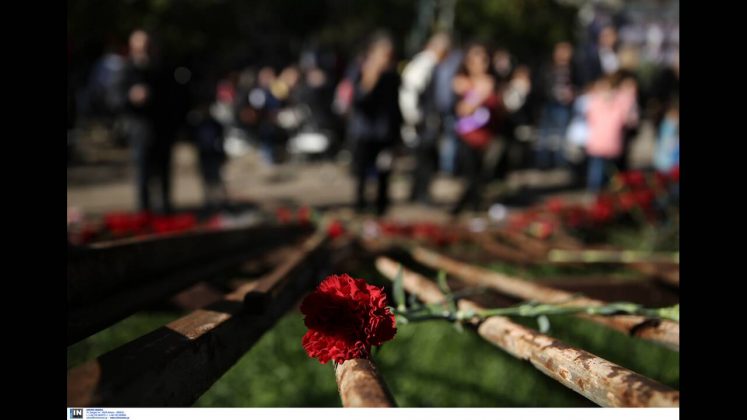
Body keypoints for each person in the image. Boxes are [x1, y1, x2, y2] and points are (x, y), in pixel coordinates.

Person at [349, 32, 402, 216]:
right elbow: (358, 101)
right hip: (364, 132)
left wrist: (397, 132)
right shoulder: (360, 71)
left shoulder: (392, 76)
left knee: (384, 170)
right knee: (362, 172)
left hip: (385, 132)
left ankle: (381, 207)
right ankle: (360, 205)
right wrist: (370, 79)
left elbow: (395, 106)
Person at [122, 29, 175, 214]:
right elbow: (114, 98)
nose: (144, 52)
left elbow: (173, 97)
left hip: (162, 127)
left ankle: (165, 210)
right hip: (139, 129)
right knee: (143, 173)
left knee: (164, 172)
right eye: (140, 48)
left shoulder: (162, 68)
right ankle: (144, 212)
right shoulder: (127, 69)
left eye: (147, 48)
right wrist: (131, 97)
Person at [399, 32, 451, 204]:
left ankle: (418, 192)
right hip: (423, 121)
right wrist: (414, 117)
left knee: (425, 159)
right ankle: (421, 194)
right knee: (425, 160)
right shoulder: (425, 64)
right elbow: (410, 91)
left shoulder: (432, 64)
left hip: (427, 119)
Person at [450, 42, 500, 215]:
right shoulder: (461, 82)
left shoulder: (490, 82)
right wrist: (479, 95)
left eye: (483, 60)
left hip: (487, 137)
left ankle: (471, 206)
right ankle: (464, 207)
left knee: (482, 175)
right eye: (474, 60)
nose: (480, 64)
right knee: (470, 175)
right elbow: (463, 109)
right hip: (467, 136)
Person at [585, 72, 638, 192]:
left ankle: (602, 192)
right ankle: (596, 192)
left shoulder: (616, 103)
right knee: (599, 172)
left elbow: (629, 120)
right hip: (601, 143)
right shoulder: (596, 102)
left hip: (608, 143)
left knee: (608, 172)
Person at [535, 41, 578, 169]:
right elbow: (540, 84)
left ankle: (560, 162)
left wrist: (573, 93)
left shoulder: (573, 68)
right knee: (544, 135)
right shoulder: (547, 67)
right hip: (548, 103)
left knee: (561, 135)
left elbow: (579, 85)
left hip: (564, 105)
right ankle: (542, 162)